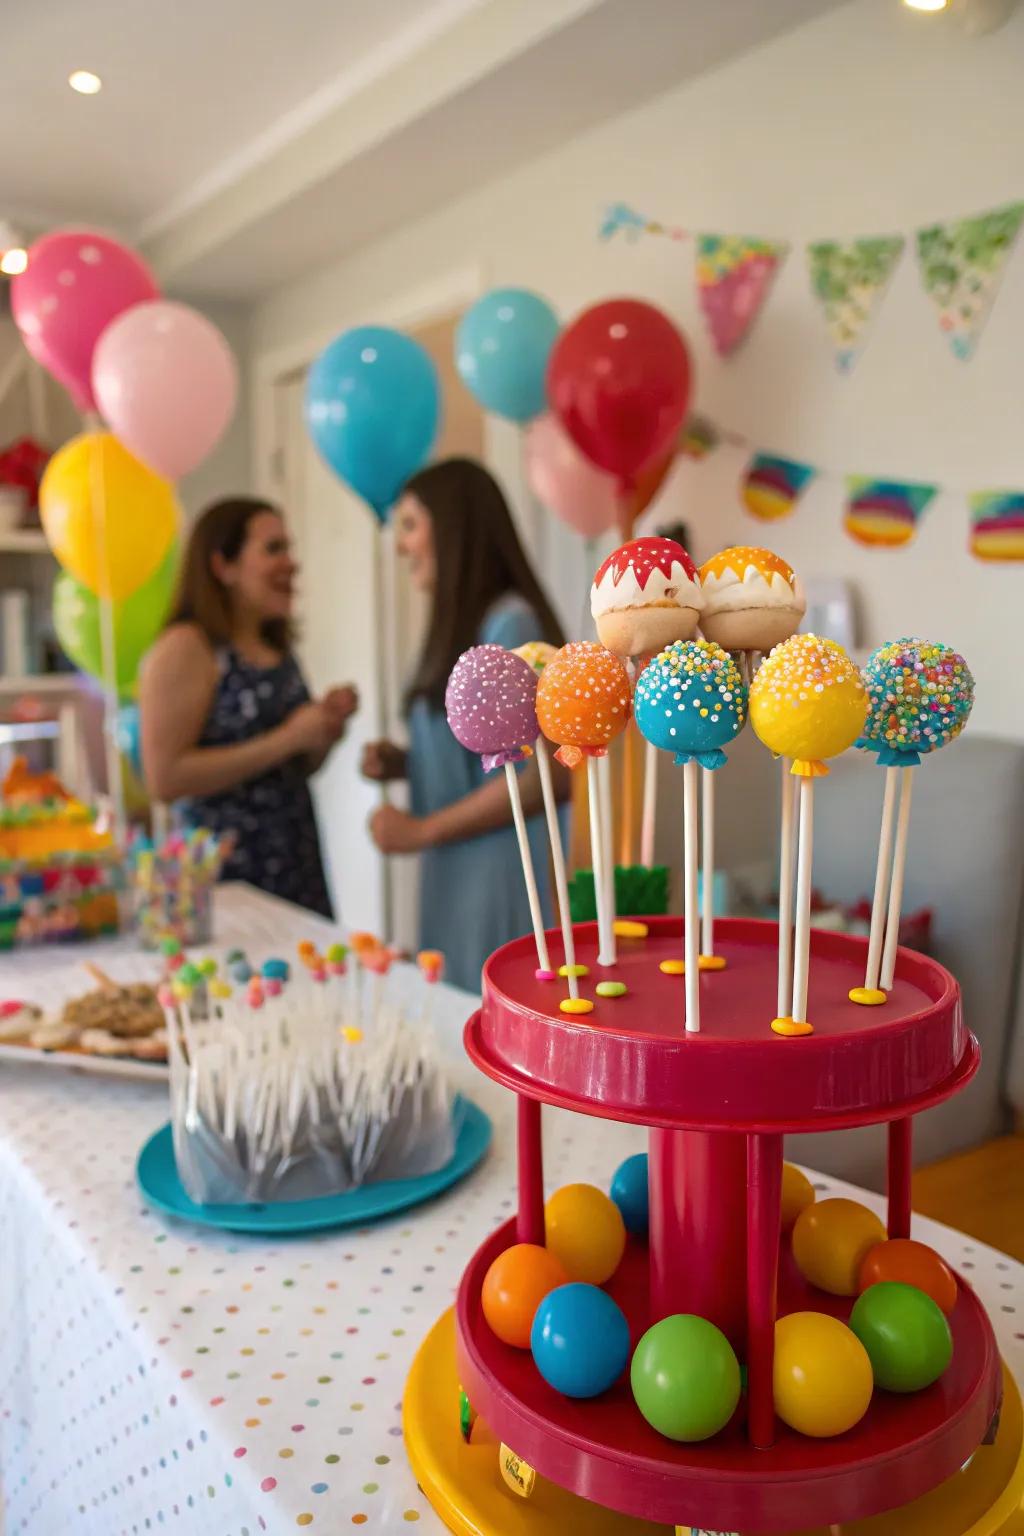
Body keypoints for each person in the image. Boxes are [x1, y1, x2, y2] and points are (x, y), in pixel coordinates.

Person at [361, 458, 567, 992]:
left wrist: (420, 831)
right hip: (451, 872)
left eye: (410, 526)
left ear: (453, 530)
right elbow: (483, 751)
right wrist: (407, 761)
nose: (402, 545)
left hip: (496, 876)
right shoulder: (460, 626)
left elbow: (546, 775)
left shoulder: (510, 624)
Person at [140, 496, 356, 917]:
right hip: (228, 882)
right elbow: (164, 779)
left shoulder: (276, 648)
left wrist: (322, 732)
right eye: (273, 548)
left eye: (289, 549)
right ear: (224, 566)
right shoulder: (187, 647)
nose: (291, 563)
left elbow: (288, 769)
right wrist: (288, 738)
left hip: (297, 870)